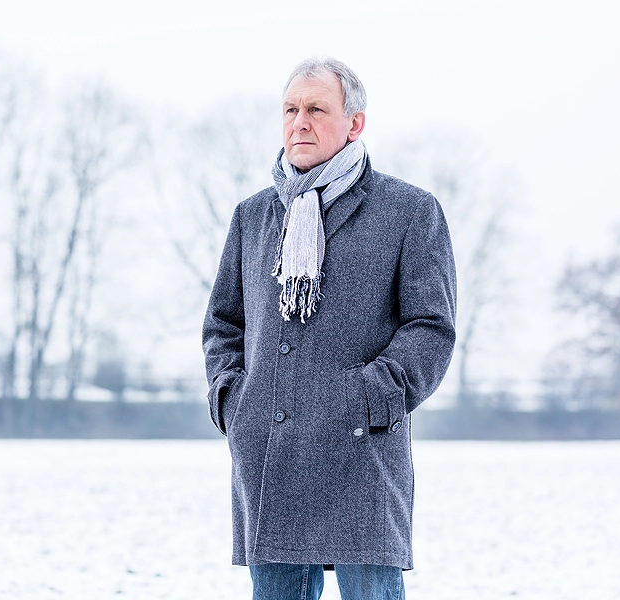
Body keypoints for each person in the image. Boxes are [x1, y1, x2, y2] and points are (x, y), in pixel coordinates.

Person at [201, 57, 457, 600]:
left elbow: (431, 327)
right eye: (290, 110)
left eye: (317, 109)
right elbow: (224, 323)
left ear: (355, 123)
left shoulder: (409, 211)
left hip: (361, 452)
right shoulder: (254, 216)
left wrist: (373, 393)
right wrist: (232, 398)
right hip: (271, 449)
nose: (300, 122)